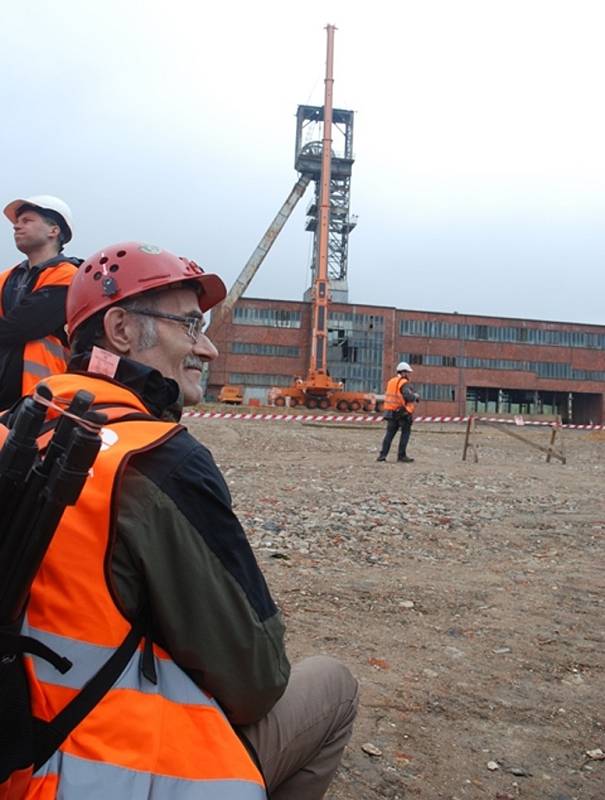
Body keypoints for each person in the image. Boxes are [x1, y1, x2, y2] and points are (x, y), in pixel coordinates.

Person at [14, 242, 358, 800]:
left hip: (19, 748)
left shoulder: (16, 428)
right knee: (333, 687)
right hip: (95, 772)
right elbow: (255, 681)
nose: (209, 348)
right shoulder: (155, 458)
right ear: (121, 329)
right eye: (190, 323)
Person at [0, 195, 80, 410]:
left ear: (53, 230)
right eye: (17, 222)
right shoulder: (6, 278)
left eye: (27, 220)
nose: (16, 226)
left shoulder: (68, 276)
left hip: (45, 399)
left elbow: (24, 325)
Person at [377, 360, 420, 463]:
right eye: (408, 372)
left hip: (390, 412)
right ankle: (401, 456)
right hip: (402, 412)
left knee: (389, 434)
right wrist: (416, 396)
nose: (409, 375)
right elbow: (408, 396)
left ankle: (382, 455)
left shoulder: (391, 382)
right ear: (404, 372)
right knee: (405, 433)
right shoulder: (404, 383)